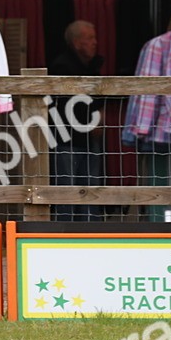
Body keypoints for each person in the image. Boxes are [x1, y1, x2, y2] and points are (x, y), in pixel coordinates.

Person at [48, 20, 106, 221]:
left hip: (89, 140)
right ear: (76, 42)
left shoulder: (91, 66)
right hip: (66, 141)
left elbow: (95, 100)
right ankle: (65, 233)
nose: (94, 43)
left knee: (91, 189)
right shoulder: (62, 67)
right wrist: (93, 120)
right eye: (89, 38)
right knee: (68, 190)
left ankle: (92, 232)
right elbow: (67, 107)